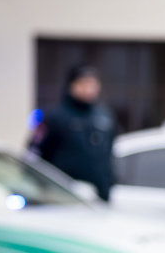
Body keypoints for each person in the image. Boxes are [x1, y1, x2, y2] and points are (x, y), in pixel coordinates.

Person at [29, 65, 116, 201]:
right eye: (84, 83)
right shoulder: (55, 117)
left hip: (99, 196)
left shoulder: (104, 116)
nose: (89, 89)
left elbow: (110, 153)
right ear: (72, 85)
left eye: (93, 84)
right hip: (63, 196)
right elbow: (36, 156)